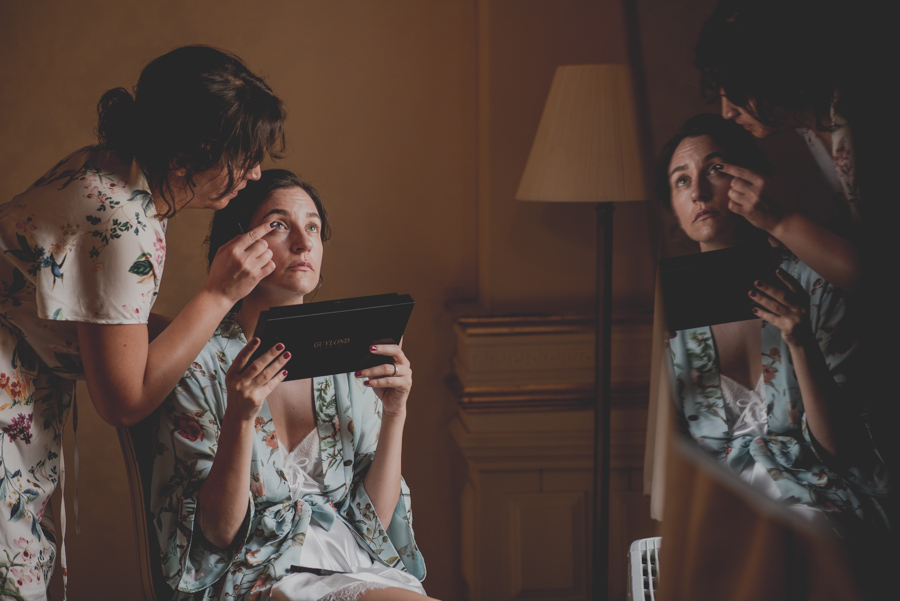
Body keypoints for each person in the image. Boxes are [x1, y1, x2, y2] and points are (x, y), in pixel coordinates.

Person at [0, 45, 285, 600]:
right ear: (182, 159)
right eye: (240, 156)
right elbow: (123, 402)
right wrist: (219, 294)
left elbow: (95, 314)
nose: (253, 173)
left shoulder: (104, 165)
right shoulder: (124, 225)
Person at [151, 169, 431, 601]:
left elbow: (372, 518)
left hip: (353, 559)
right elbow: (220, 534)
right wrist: (241, 417)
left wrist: (396, 414)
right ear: (239, 244)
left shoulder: (350, 356)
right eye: (279, 225)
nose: (303, 242)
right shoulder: (199, 366)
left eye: (314, 227)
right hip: (252, 573)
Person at [657, 114, 889, 535]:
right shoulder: (665, 316)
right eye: (681, 180)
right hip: (716, 516)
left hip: (818, 504)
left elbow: (841, 451)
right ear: (673, 208)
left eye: (715, 169)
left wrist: (800, 342)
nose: (699, 192)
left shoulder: (812, 285)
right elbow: (664, 469)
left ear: (750, 179)